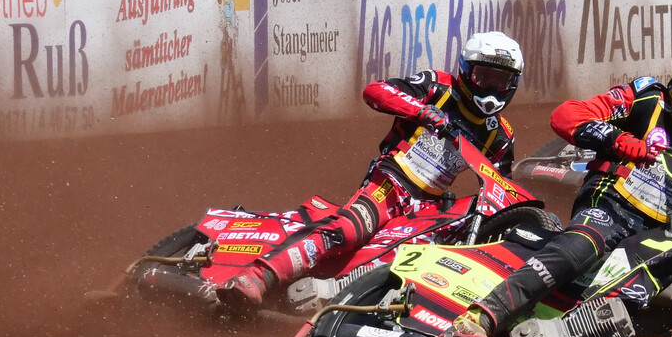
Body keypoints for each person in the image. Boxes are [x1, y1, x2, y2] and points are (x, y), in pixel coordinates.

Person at [436, 39, 672, 337]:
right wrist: (619, 140)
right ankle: (481, 317)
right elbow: (566, 115)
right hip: (612, 202)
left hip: (663, 233)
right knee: (582, 244)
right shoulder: (646, 98)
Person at [219, 33, 526, 310]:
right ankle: (258, 275)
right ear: (466, 71)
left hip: (430, 207)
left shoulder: (501, 136)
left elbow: (503, 196)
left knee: (420, 260)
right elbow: (375, 90)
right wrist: (421, 111)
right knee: (349, 230)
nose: (491, 89)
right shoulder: (438, 86)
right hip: (390, 182)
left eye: (501, 82)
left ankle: (345, 302)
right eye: (484, 77)